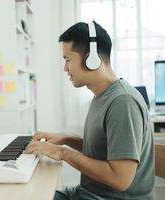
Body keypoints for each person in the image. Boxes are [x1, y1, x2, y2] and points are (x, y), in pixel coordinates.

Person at [25, 21, 155, 199]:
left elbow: (120, 179)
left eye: (68, 60)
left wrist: (63, 153)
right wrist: (66, 139)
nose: (65, 68)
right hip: (89, 193)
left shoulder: (122, 102)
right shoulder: (103, 96)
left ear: (91, 60)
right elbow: (106, 150)